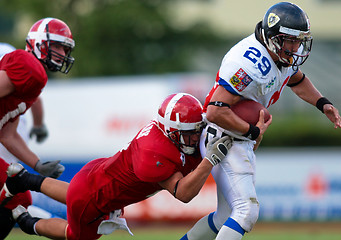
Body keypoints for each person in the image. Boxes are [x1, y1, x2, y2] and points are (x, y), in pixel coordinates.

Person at [181, 2, 341, 240]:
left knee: (225, 216)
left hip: (237, 137)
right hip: (224, 137)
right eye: (291, 40)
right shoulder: (248, 62)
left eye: (299, 41)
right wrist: (252, 131)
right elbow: (215, 110)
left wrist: (322, 103)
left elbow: (296, 80)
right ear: (274, 38)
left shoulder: (279, 55)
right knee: (247, 211)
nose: (296, 47)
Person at [1, 93, 233, 240]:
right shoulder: (155, 156)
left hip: (95, 176)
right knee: (74, 235)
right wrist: (208, 160)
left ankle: (25, 180)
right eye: (190, 133)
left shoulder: (166, 133)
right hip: (96, 196)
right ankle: (26, 222)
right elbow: (183, 194)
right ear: (173, 131)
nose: (196, 136)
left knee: (75, 193)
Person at [0, 18, 75, 239]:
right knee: (17, 199)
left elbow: (7, 135)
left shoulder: (35, 81)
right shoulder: (27, 65)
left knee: (20, 200)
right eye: (58, 46)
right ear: (40, 44)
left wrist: (37, 163)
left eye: (65, 48)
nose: (63, 52)